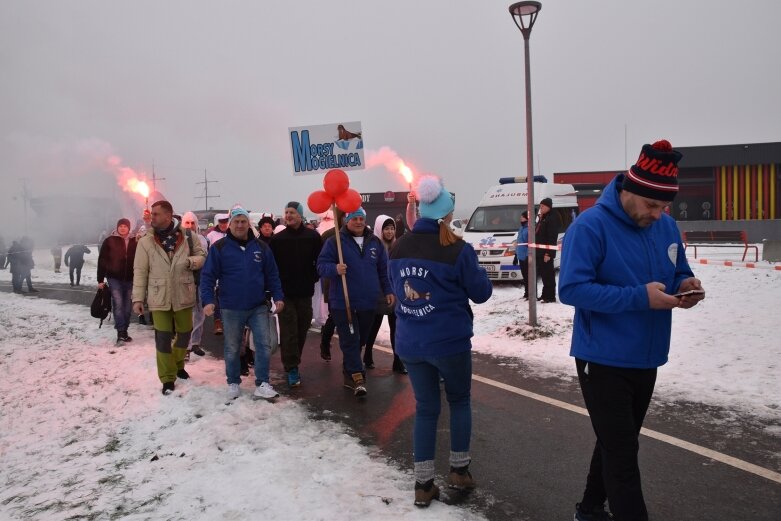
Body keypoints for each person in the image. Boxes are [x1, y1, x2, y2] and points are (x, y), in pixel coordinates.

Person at [559, 140, 705, 521]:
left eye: (664, 206)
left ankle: (590, 509)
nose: (658, 215)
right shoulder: (590, 227)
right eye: (652, 205)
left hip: (648, 355)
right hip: (601, 358)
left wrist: (686, 285)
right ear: (629, 191)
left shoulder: (667, 226)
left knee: (617, 443)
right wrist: (640, 298)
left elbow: (677, 271)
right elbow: (571, 289)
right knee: (623, 456)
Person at [388, 175, 492, 507]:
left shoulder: (399, 246)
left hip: (410, 342)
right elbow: (481, 293)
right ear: (447, 214)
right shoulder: (457, 248)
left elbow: (395, 288)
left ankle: (422, 484)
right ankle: (459, 471)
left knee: (426, 409)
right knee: (459, 401)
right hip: (449, 342)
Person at [201, 207, 285, 400]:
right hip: (231, 306)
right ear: (230, 224)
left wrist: (278, 297)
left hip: (258, 305)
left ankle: (262, 383)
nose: (240, 225)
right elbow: (208, 276)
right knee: (232, 346)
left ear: (249, 224)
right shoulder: (219, 248)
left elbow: (272, 275)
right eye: (236, 222)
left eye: (243, 221)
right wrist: (208, 300)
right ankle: (233, 383)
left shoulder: (261, 248)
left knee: (264, 345)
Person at [317, 207, 394, 397]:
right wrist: (334, 268)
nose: (358, 222)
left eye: (361, 218)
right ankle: (357, 377)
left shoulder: (375, 243)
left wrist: (388, 290)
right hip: (344, 302)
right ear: (346, 220)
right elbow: (321, 266)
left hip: (368, 300)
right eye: (354, 219)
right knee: (350, 339)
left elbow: (383, 271)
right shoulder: (335, 241)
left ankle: (349, 369)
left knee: (361, 339)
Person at [132, 200, 206, 395]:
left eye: (155, 214)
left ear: (168, 216)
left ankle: (178, 363)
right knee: (163, 338)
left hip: (183, 292)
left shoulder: (188, 236)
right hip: (158, 295)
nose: (151, 217)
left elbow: (202, 256)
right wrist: (138, 299)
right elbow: (140, 271)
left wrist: (191, 262)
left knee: (184, 333)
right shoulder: (146, 241)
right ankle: (167, 378)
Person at [269, 201, 322, 388]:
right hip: (285, 294)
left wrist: (314, 276)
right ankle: (292, 367)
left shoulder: (312, 237)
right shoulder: (278, 239)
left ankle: (293, 359)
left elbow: (321, 259)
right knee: (289, 330)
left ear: (300, 215)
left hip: (305, 292)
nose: (289, 215)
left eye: (292, 212)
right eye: (286, 212)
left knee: (301, 328)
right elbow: (271, 266)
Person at [363, 214, 406, 373]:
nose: (390, 232)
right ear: (379, 229)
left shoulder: (397, 246)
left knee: (396, 328)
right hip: (378, 292)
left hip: (395, 292)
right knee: (374, 326)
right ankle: (367, 354)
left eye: (392, 228)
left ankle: (398, 361)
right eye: (386, 228)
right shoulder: (373, 246)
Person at [97, 218, 137, 343]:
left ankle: (125, 329)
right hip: (114, 277)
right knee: (118, 303)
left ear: (129, 228)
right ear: (117, 227)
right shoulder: (109, 241)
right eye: (120, 226)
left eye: (125, 226)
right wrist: (100, 279)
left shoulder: (135, 241)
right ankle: (121, 331)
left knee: (127, 306)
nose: (123, 228)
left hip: (130, 278)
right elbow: (102, 259)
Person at [181, 212, 208, 357]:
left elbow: (206, 259)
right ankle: (185, 346)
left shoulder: (203, 240)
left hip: (200, 280)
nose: (190, 226)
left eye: (193, 223)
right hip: (184, 281)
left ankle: (196, 342)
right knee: (185, 315)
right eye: (187, 223)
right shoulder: (178, 240)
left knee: (200, 313)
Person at [205, 213, 229, 335]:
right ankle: (218, 321)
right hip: (216, 269)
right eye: (221, 222)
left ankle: (228, 322)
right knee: (217, 296)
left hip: (229, 270)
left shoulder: (232, 234)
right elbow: (207, 251)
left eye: (225, 222)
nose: (223, 225)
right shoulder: (211, 235)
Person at [535, 197, 560, 303]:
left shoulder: (552, 218)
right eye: (540, 206)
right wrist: (540, 219)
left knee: (548, 275)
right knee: (544, 275)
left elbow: (551, 237)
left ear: (548, 207)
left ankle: (550, 296)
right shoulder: (543, 218)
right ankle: (545, 294)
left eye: (542, 206)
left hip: (546, 252)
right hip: (540, 251)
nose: (540, 208)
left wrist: (548, 253)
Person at [514, 210, 530, 299]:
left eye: (522, 217)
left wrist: (528, 255)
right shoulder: (521, 228)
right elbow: (518, 242)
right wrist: (515, 255)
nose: (520, 218)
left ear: (527, 218)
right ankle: (526, 292)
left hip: (526, 256)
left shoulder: (529, 229)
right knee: (524, 276)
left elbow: (529, 244)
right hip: (520, 255)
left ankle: (530, 293)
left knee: (529, 276)